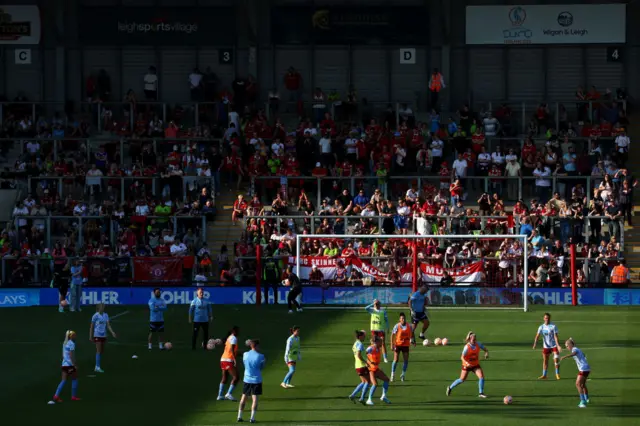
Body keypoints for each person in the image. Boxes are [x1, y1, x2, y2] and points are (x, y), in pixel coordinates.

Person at [446, 331, 489, 398]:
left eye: (475, 339)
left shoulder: (478, 344)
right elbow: (462, 357)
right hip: (466, 365)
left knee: (481, 377)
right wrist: (466, 363)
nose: (474, 341)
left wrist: (486, 353)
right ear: (470, 339)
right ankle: (450, 387)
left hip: (475, 364)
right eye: (473, 340)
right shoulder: (467, 347)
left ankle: (481, 393)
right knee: (462, 379)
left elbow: (485, 349)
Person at [238, 339, 265, 423]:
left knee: (243, 398)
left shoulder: (245, 354)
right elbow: (261, 367)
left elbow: (244, 364)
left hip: (247, 379)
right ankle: (252, 418)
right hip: (256, 380)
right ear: (256, 346)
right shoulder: (261, 356)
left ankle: (239, 416)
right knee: (255, 400)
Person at [560, 338, 591, 408]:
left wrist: (564, 357)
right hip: (586, 368)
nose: (567, 348)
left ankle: (583, 402)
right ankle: (586, 399)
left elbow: (574, 353)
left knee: (578, 384)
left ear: (570, 345)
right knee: (582, 384)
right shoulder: (577, 348)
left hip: (583, 369)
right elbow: (583, 354)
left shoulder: (574, 349)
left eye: (567, 346)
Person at [51, 330, 80, 403]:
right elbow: (71, 355)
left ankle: (56, 396)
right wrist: (74, 365)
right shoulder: (71, 344)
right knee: (75, 378)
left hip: (64, 364)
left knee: (63, 380)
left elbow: (63, 355)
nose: (75, 336)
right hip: (70, 365)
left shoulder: (64, 343)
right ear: (71, 336)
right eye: (74, 335)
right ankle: (73, 396)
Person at [532, 312, 561, 380]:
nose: (547, 319)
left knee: (556, 359)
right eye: (545, 318)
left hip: (554, 346)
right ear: (543, 318)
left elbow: (556, 337)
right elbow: (537, 336)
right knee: (545, 360)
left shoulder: (553, 326)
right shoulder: (541, 327)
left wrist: (558, 345)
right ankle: (544, 375)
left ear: (549, 319)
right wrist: (535, 344)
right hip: (546, 346)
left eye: (548, 318)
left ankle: (557, 374)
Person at [89, 303, 117, 373]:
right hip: (97, 334)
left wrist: (112, 332)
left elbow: (108, 325)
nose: (103, 308)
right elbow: (92, 327)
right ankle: (97, 367)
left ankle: (98, 363)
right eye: (102, 306)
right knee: (98, 350)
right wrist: (90, 336)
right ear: (99, 307)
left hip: (103, 335)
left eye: (103, 306)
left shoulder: (106, 315)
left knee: (102, 351)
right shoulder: (95, 316)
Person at [365, 336, 391, 405]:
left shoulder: (378, 348)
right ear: (376, 342)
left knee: (386, 379)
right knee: (375, 384)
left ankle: (383, 396)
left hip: (376, 369)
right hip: (371, 370)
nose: (382, 343)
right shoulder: (371, 348)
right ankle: (369, 399)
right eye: (380, 341)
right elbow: (364, 354)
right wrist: (368, 362)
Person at [390, 312, 415, 382]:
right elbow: (392, 335)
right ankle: (392, 374)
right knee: (396, 359)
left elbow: (412, 333)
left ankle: (403, 375)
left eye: (404, 318)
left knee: (406, 360)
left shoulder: (409, 326)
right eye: (402, 318)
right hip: (398, 345)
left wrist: (413, 341)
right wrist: (392, 344)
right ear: (399, 319)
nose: (403, 319)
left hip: (406, 345)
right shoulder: (397, 326)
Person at [218, 326, 240, 401]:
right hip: (228, 359)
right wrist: (234, 359)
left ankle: (220, 395)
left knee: (225, 377)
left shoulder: (229, 337)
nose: (238, 332)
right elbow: (232, 349)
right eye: (237, 331)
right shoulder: (233, 338)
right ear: (234, 331)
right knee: (236, 377)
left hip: (223, 359)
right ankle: (229, 394)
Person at [349, 330, 370, 404]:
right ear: (360, 336)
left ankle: (353, 395)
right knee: (368, 381)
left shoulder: (355, 344)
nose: (364, 337)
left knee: (363, 381)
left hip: (357, 366)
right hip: (362, 365)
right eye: (364, 336)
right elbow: (358, 355)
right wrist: (365, 362)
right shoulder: (360, 344)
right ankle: (362, 398)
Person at [365, 299, 389, 363]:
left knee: (383, 343)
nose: (377, 305)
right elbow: (366, 308)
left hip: (381, 329)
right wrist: (372, 304)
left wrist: (388, 327)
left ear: (380, 304)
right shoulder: (372, 310)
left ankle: (385, 358)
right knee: (373, 344)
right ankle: (372, 356)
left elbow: (386, 320)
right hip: (374, 329)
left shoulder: (383, 311)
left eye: (378, 304)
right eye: (376, 304)